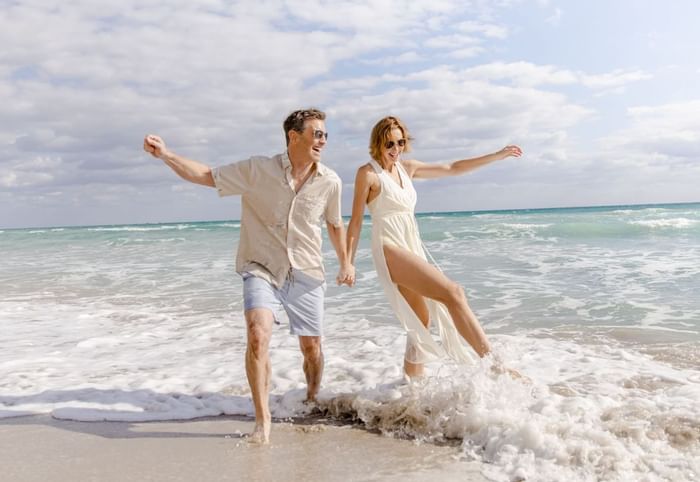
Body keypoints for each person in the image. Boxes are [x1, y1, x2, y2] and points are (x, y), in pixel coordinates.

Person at [143, 108, 354, 444]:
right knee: (257, 334)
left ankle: (313, 398)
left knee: (312, 349)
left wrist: (346, 263)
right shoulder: (258, 169)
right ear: (293, 136)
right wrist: (166, 155)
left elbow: (334, 224)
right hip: (261, 266)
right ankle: (263, 421)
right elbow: (207, 175)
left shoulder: (331, 180)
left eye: (325, 135)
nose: (322, 140)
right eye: (316, 133)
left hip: (307, 270)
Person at [345, 115, 522, 378]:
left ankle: (411, 390)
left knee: (421, 321)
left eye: (400, 142)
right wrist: (347, 262)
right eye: (389, 144)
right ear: (378, 144)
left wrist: (496, 155)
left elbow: (453, 167)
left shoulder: (409, 168)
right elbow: (356, 221)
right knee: (454, 293)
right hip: (389, 247)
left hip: (411, 244)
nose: (395, 149)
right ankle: (495, 365)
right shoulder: (368, 174)